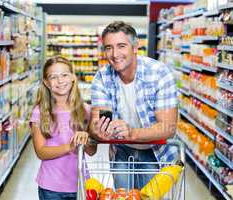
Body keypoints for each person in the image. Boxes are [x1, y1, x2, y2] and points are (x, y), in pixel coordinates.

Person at [90, 21, 178, 189]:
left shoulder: (159, 73)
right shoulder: (102, 78)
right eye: (109, 48)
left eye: (121, 46)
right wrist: (99, 130)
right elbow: (97, 123)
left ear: (135, 47)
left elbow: (168, 127)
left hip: (155, 151)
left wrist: (131, 133)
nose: (115, 54)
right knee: (123, 196)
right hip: (121, 151)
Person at [30, 56, 97, 200]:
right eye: (53, 77)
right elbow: (41, 152)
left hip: (80, 182)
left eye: (65, 75)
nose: (60, 81)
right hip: (51, 187)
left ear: (73, 77)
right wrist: (71, 146)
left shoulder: (86, 110)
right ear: (46, 83)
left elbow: (92, 151)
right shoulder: (40, 111)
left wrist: (86, 139)